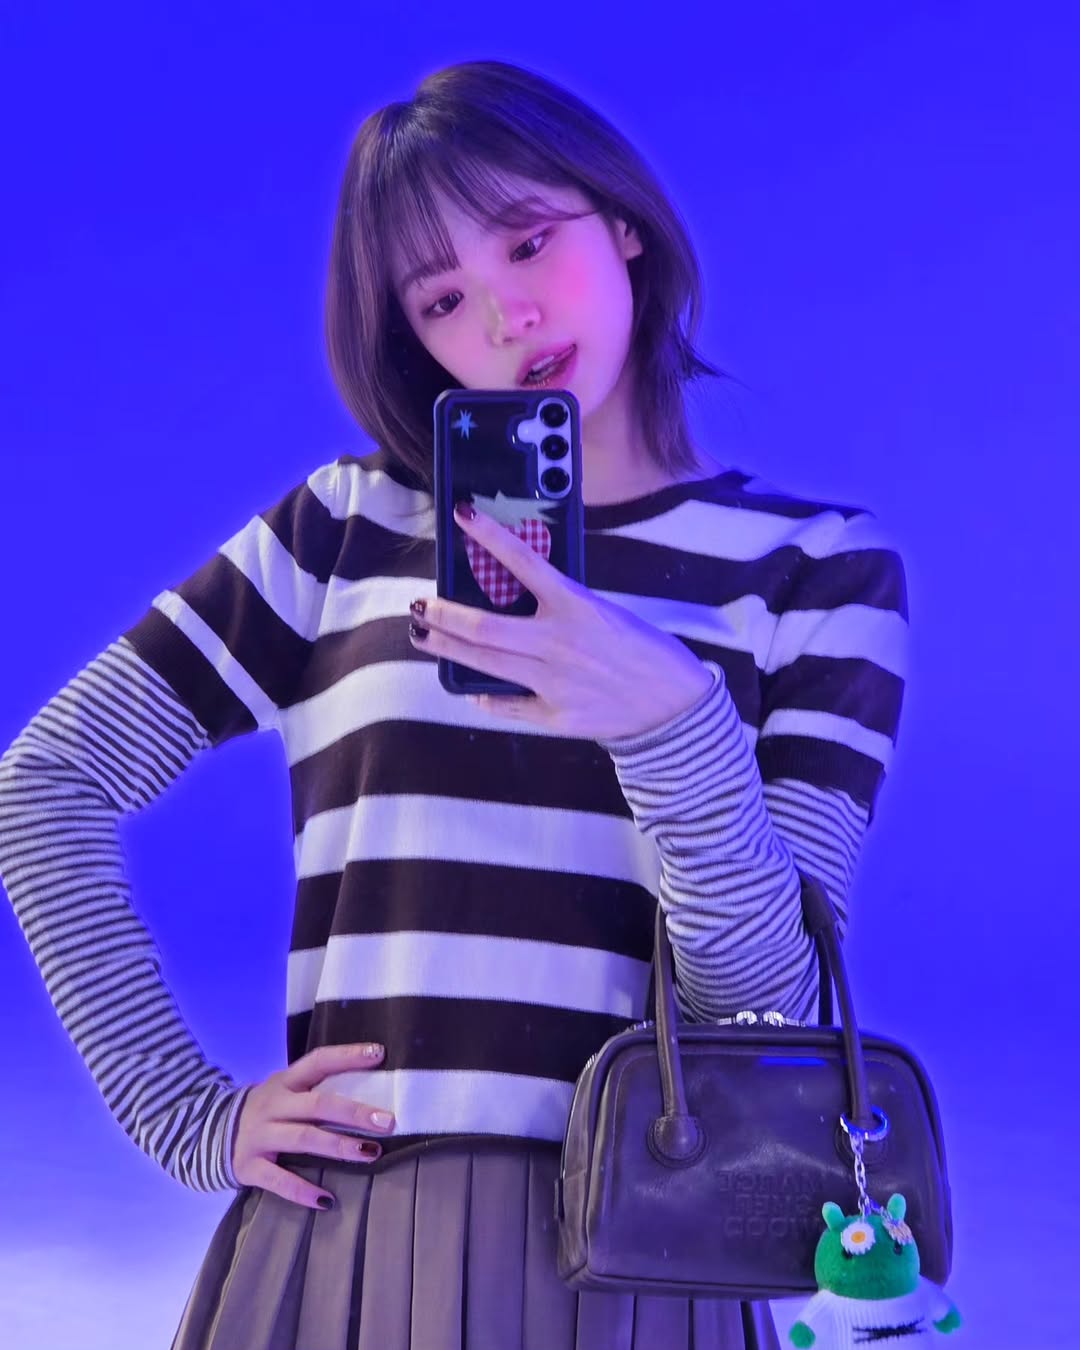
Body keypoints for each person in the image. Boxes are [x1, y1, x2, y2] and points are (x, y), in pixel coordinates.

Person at [0, 58, 908, 1350]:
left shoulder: (817, 569)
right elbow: (45, 784)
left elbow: (768, 1017)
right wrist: (184, 1110)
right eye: (441, 296)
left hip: (646, 1252)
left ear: (624, 223)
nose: (505, 313)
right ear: (411, 338)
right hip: (351, 1234)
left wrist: (673, 726)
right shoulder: (345, 529)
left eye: (530, 240)